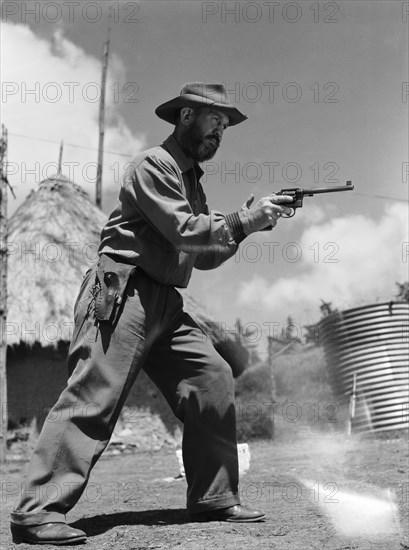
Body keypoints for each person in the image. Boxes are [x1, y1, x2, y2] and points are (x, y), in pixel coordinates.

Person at [10, 82, 292, 545]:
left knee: (212, 377)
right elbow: (186, 233)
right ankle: (37, 511)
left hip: (166, 301)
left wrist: (244, 229)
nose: (219, 132)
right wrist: (242, 221)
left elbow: (202, 255)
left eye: (225, 126)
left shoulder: (193, 181)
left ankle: (213, 496)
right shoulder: (154, 165)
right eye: (213, 120)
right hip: (125, 290)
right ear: (184, 117)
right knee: (94, 395)